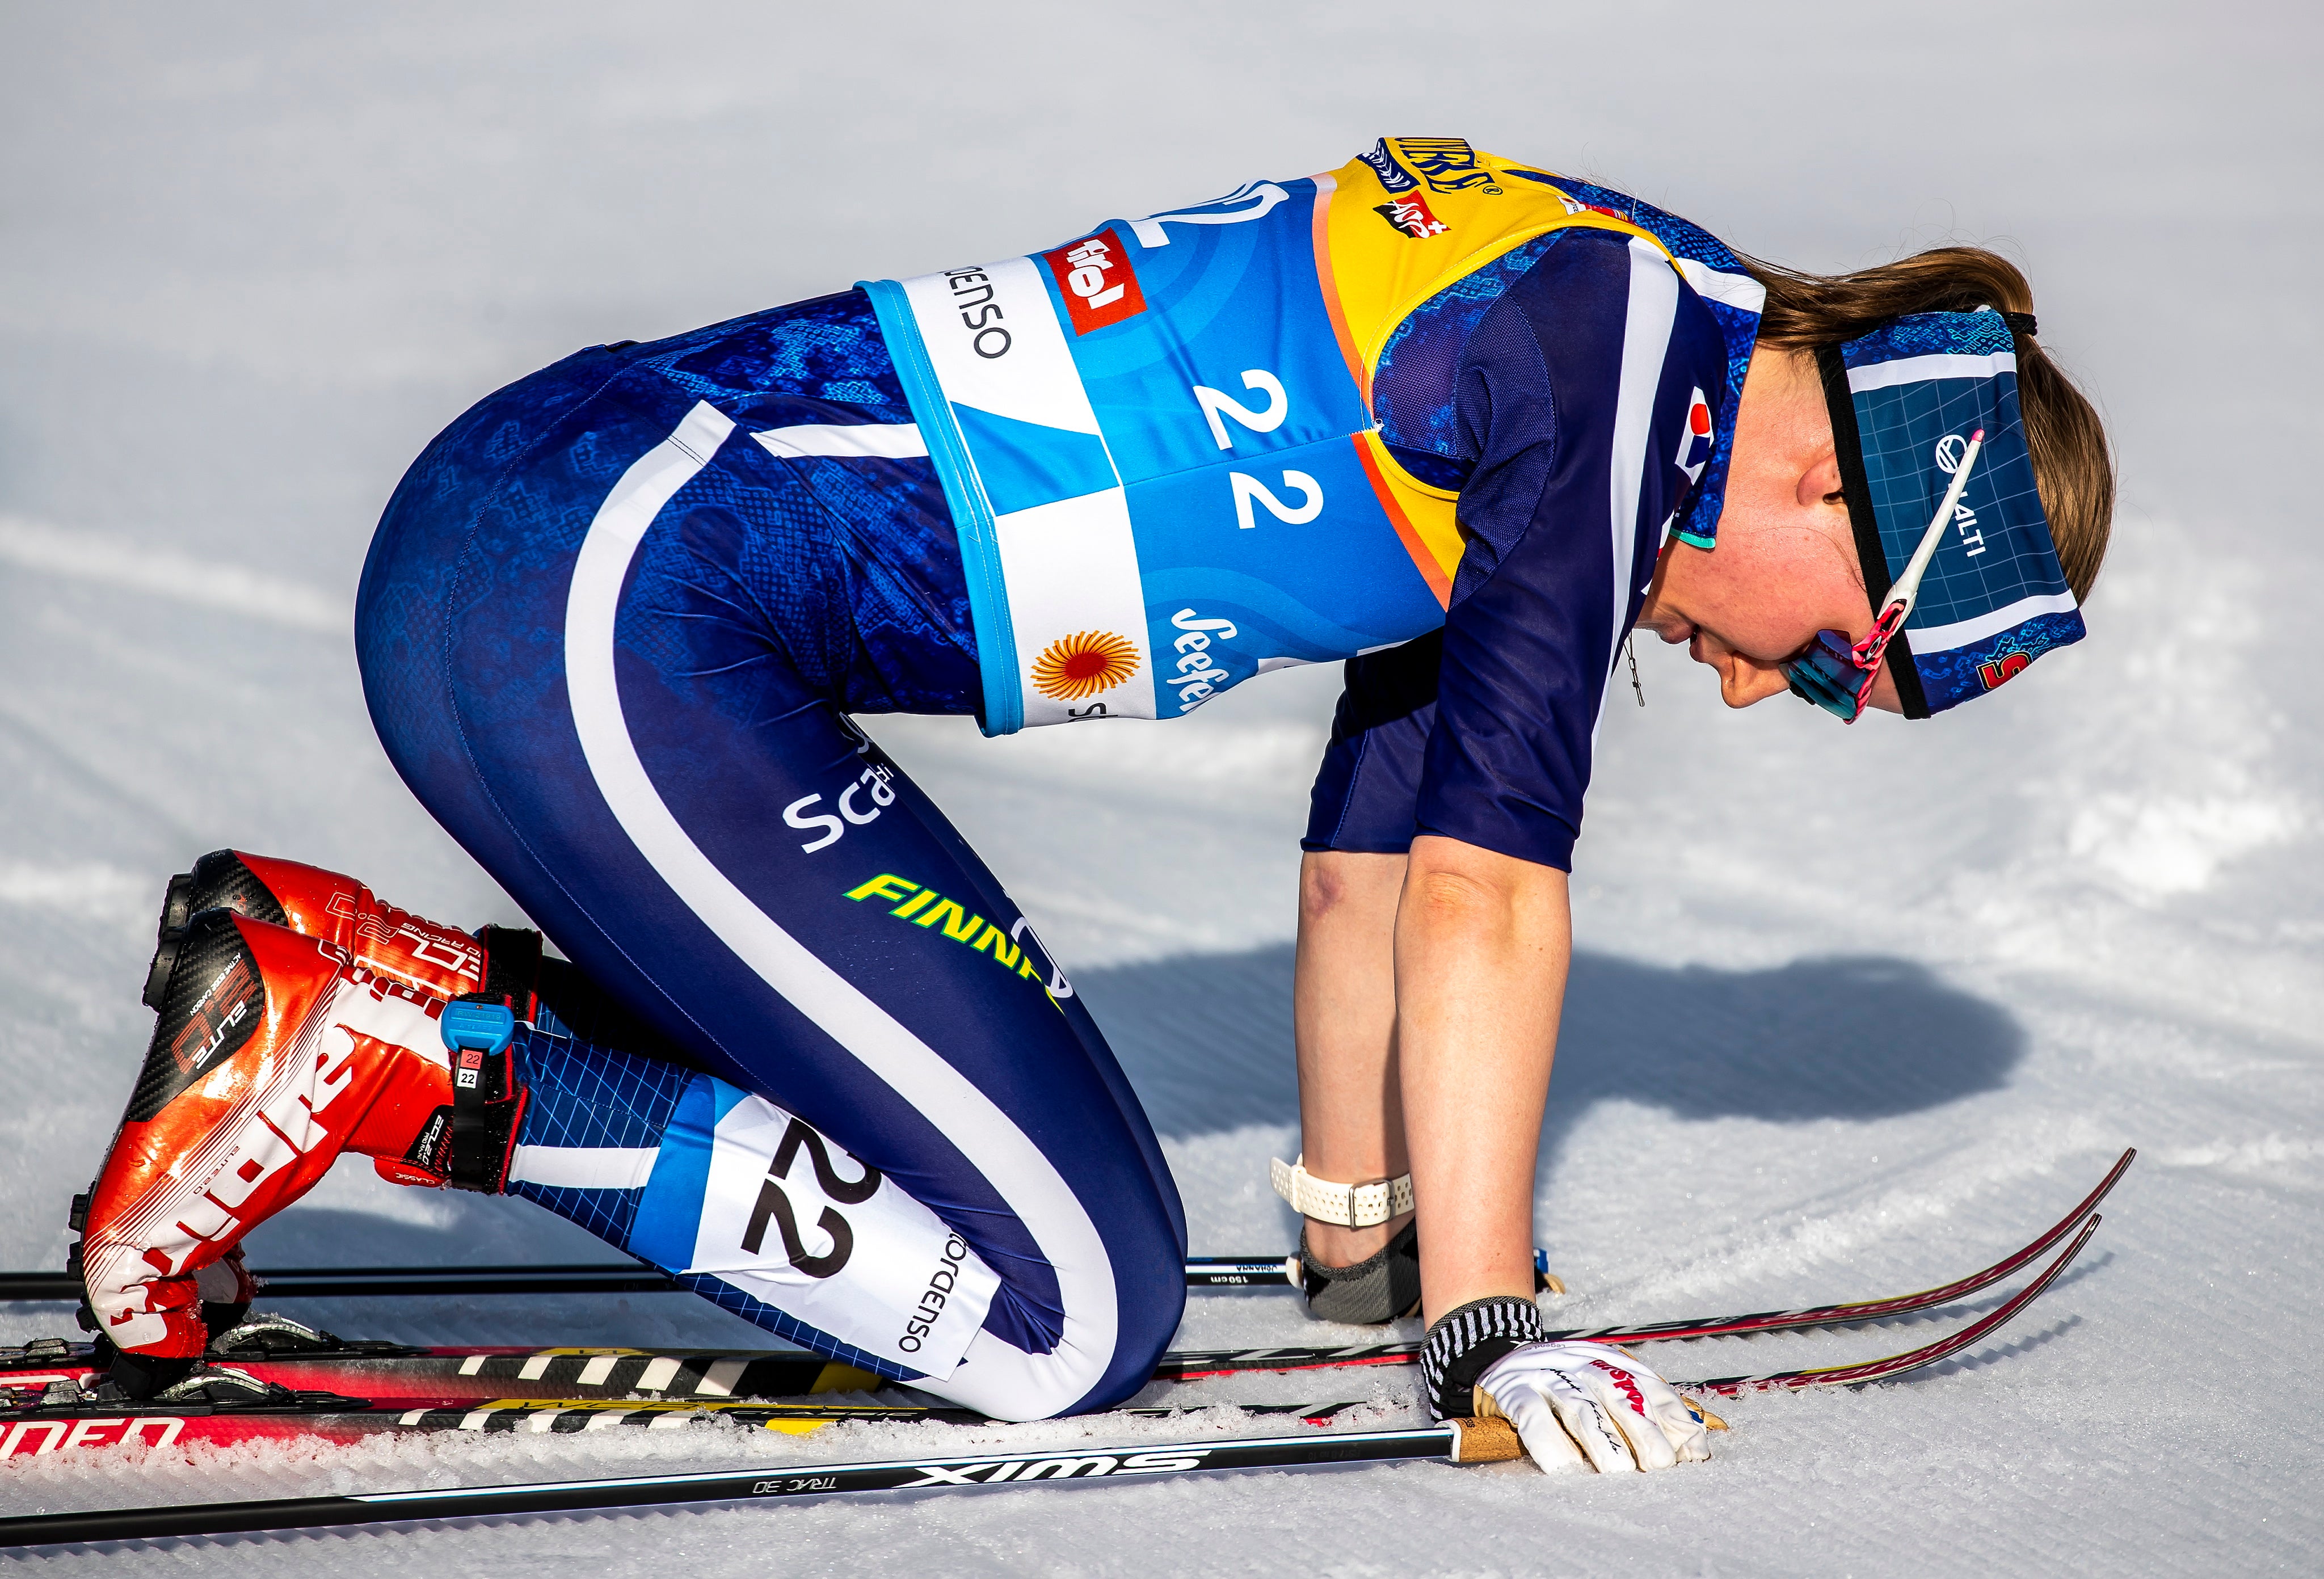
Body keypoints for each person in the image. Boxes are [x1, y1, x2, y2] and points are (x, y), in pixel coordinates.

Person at [73, 138, 2110, 1470]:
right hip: (595, 601)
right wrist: (1484, 1336)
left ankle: (365, 1014)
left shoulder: (1611, 317)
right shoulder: (1617, 378)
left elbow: (1368, 868)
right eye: (1851, 662)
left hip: (577, 562)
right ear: (1854, 480)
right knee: (1060, 1320)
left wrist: (1357, 1236)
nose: (1766, 689)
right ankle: (417, 1054)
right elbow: (1493, 888)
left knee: (1098, 1252)